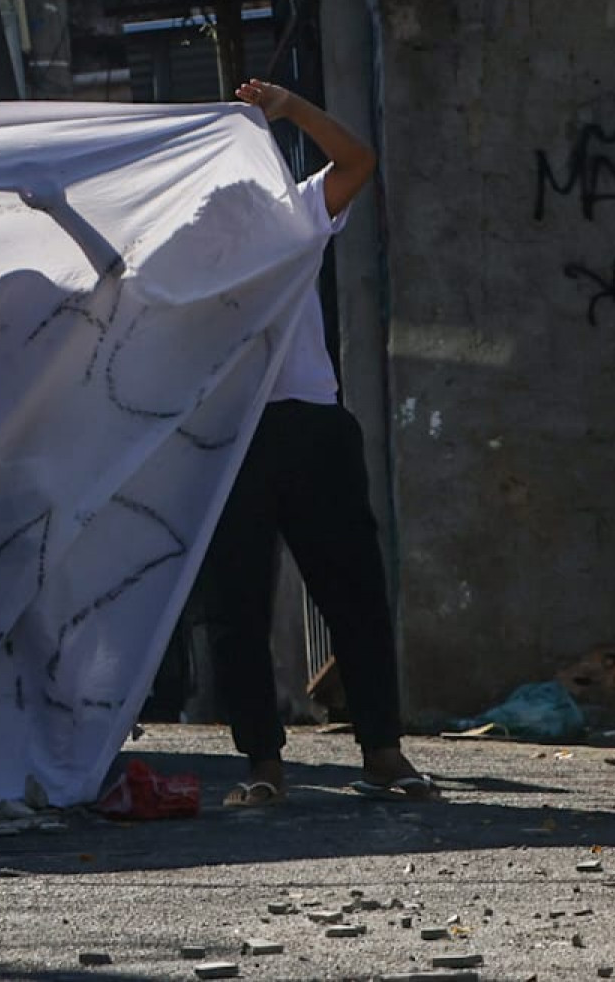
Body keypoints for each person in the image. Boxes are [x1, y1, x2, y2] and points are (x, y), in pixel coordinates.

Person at [204, 77, 440, 807]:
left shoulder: (293, 217)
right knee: (237, 603)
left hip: (308, 422)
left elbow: (357, 161)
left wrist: (291, 108)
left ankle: (383, 751)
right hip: (231, 433)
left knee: (353, 591)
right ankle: (263, 763)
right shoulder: (183, 249)